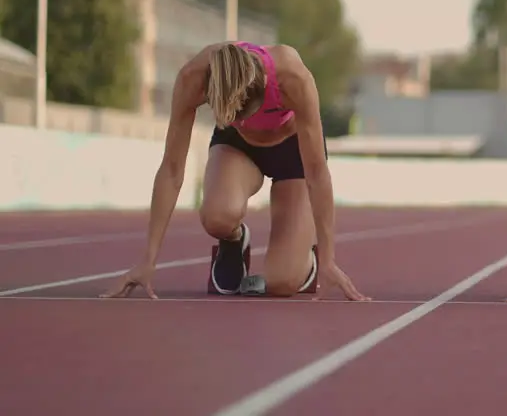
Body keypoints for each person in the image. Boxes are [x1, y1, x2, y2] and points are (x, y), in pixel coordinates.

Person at [100, 41, 369, 301]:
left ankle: (304, 264)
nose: (244, 122)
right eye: (234, 118)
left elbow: (317, 173)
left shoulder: (293, 77)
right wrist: (148, 260)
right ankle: (234, 241)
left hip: (292, 152)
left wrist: (329, 259)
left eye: (245, 115)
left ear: (263, 83)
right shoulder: (194, 78)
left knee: (283, 282)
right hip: (239, 149)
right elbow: (171, 169)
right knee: (217, 215)